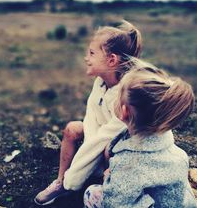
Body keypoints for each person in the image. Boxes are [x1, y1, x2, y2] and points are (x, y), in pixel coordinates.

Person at [34, 21, 143, 205]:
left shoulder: (126, 95)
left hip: (125, 147)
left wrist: (75, 177)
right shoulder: (100, 82)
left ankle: (104, 189)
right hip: (99, 138)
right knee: (72, 129)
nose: (86, 58)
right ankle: (61, 182)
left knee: (108, 149)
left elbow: (106, 136)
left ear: (111, 60)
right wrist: (82, 165)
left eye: (92, 53)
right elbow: (91, 119)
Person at [83, 59, 197, 208]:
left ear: (124, 111)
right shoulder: (165, 140)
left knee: (91, 193)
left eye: (118, 94)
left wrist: (108, 180)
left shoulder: (130, 164)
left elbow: (115, 203)